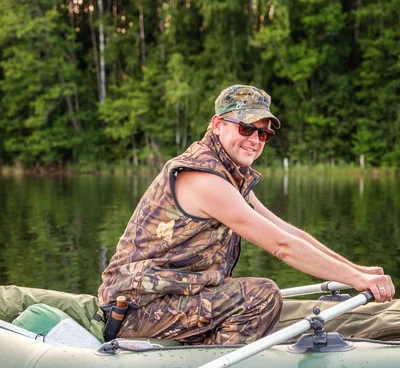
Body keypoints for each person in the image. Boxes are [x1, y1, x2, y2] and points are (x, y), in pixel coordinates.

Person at [98, 84, 395, 345]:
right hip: (137, 309)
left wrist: (358, 272)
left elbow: (286, 231)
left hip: (174, 299)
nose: (254, 139)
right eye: (246, 128)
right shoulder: (204, 179)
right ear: (218, 124)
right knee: (261, 295)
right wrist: (355, 278)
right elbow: (282, 247)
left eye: (263, 133)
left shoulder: (228, 175)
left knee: (258, 295)